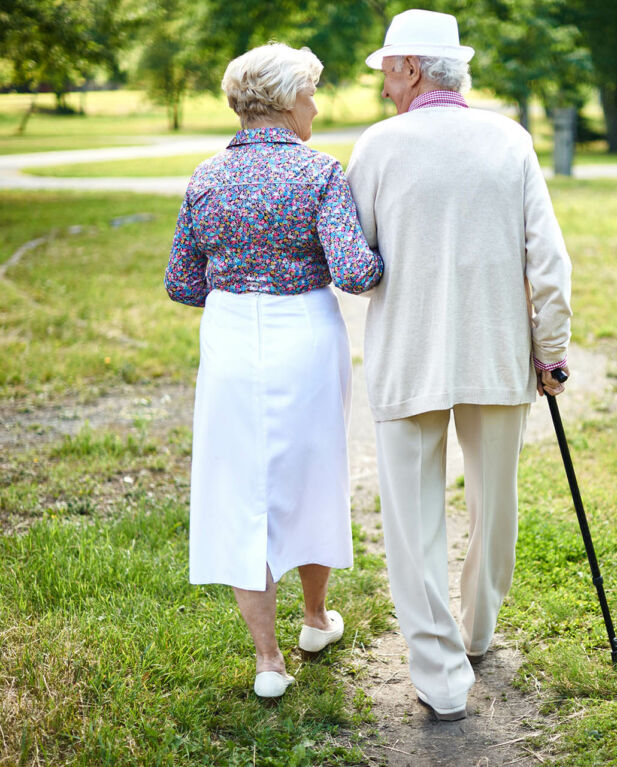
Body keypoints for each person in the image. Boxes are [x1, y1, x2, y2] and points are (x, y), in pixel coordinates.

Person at [346, 9, 572, 721]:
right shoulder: (510, 139)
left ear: (411, 67)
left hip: (408, 355)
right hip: (495, 351)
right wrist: (551, 349)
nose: (383, 86)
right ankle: (476, 630)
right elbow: (550, 263)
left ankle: (441, 673)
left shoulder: (378, 147)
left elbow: (357, 264)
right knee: (492, 504)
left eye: (387, 70)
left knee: (412, 521)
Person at [164, 42, 383, 699]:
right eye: (311, 93)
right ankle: (315, 619)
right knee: (313, 472)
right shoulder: (319, 173)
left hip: (231, 337)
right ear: (289, 102)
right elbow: (352, 270)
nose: (316, 104)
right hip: (305, 335)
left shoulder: (204, 176)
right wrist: (385, 258)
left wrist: (238, 279)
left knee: (239, 485)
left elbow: (181, 281)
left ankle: (268, 660)